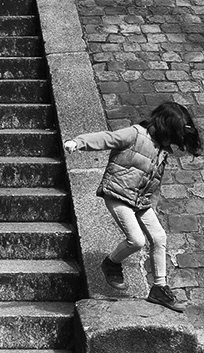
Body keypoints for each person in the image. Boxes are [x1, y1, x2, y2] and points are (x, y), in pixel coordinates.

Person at [64, 101, 202, 313]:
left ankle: (159, 288)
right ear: (163, 125)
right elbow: (105, 138)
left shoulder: (161, 150)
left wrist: (151, 206)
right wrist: (78, 142)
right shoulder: (135, 134)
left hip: (141, 201)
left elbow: (155, 183)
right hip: (118, 195)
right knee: (136, 240)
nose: (171, 143)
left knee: (159, 237)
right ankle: (111, 263)